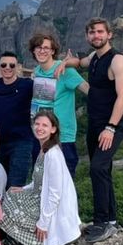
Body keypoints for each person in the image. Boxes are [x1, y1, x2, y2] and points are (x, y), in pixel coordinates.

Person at [60, 17, 123, 244]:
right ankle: (110, 220)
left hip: (112, 124)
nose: (96, 36)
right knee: (103, 169)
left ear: (109, 34)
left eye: (100, 32)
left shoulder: (117, 60)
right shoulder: (94, 58)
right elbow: (80, 62)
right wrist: (65, 63)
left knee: (97, 167)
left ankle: (102, 222)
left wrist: (111, 128)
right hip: (95, 121)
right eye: (92, 32)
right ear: (87, 36)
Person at [0, 110, 81, 245]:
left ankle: (34, 240)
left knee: (11, 209)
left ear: (53, 129)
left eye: (45, 125)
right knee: (10, 194)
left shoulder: (53, 155)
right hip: (39, 194)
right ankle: (17, 237)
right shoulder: (44, 149)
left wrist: (43, 223)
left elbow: (55, 194)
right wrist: (24, 189)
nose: (39, 128)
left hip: (51, 204)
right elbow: (39, 180)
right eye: (37, 124)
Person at [29, 32, 89, 178]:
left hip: (62, 138)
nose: (42, 51)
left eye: (46, 48)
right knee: (40, 182)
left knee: (64, 184)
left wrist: (122, 101)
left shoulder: (65, 71)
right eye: (38, 47)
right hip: (40, 136)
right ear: (33, 51)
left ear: (53, 51)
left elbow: (89, 91)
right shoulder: (37, 71)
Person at [0, 51, 35, 188]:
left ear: (17, 67)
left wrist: (64, 65)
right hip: (0, 143)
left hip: (22, 141)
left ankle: (14, 209)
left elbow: (48, 89)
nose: (7, 67)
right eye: (4, 64)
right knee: (3, 183)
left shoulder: (27, 85)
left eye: (12, 65)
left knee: (16, 185)